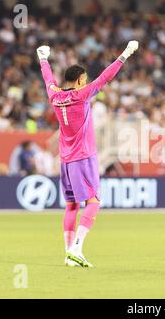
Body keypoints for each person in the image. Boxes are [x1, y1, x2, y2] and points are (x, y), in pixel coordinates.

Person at [37, 40, 139, 267]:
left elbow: (47, 78)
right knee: (94, 203)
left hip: (65, 158)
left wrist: (43, 58)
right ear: (81, 79)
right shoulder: (81, 94)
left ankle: (68, 254)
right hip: (83, 157)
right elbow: (105, 77)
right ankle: (77, 248)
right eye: (85, 78)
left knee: (72, 205)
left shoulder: (54, 95)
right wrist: (126, 54)